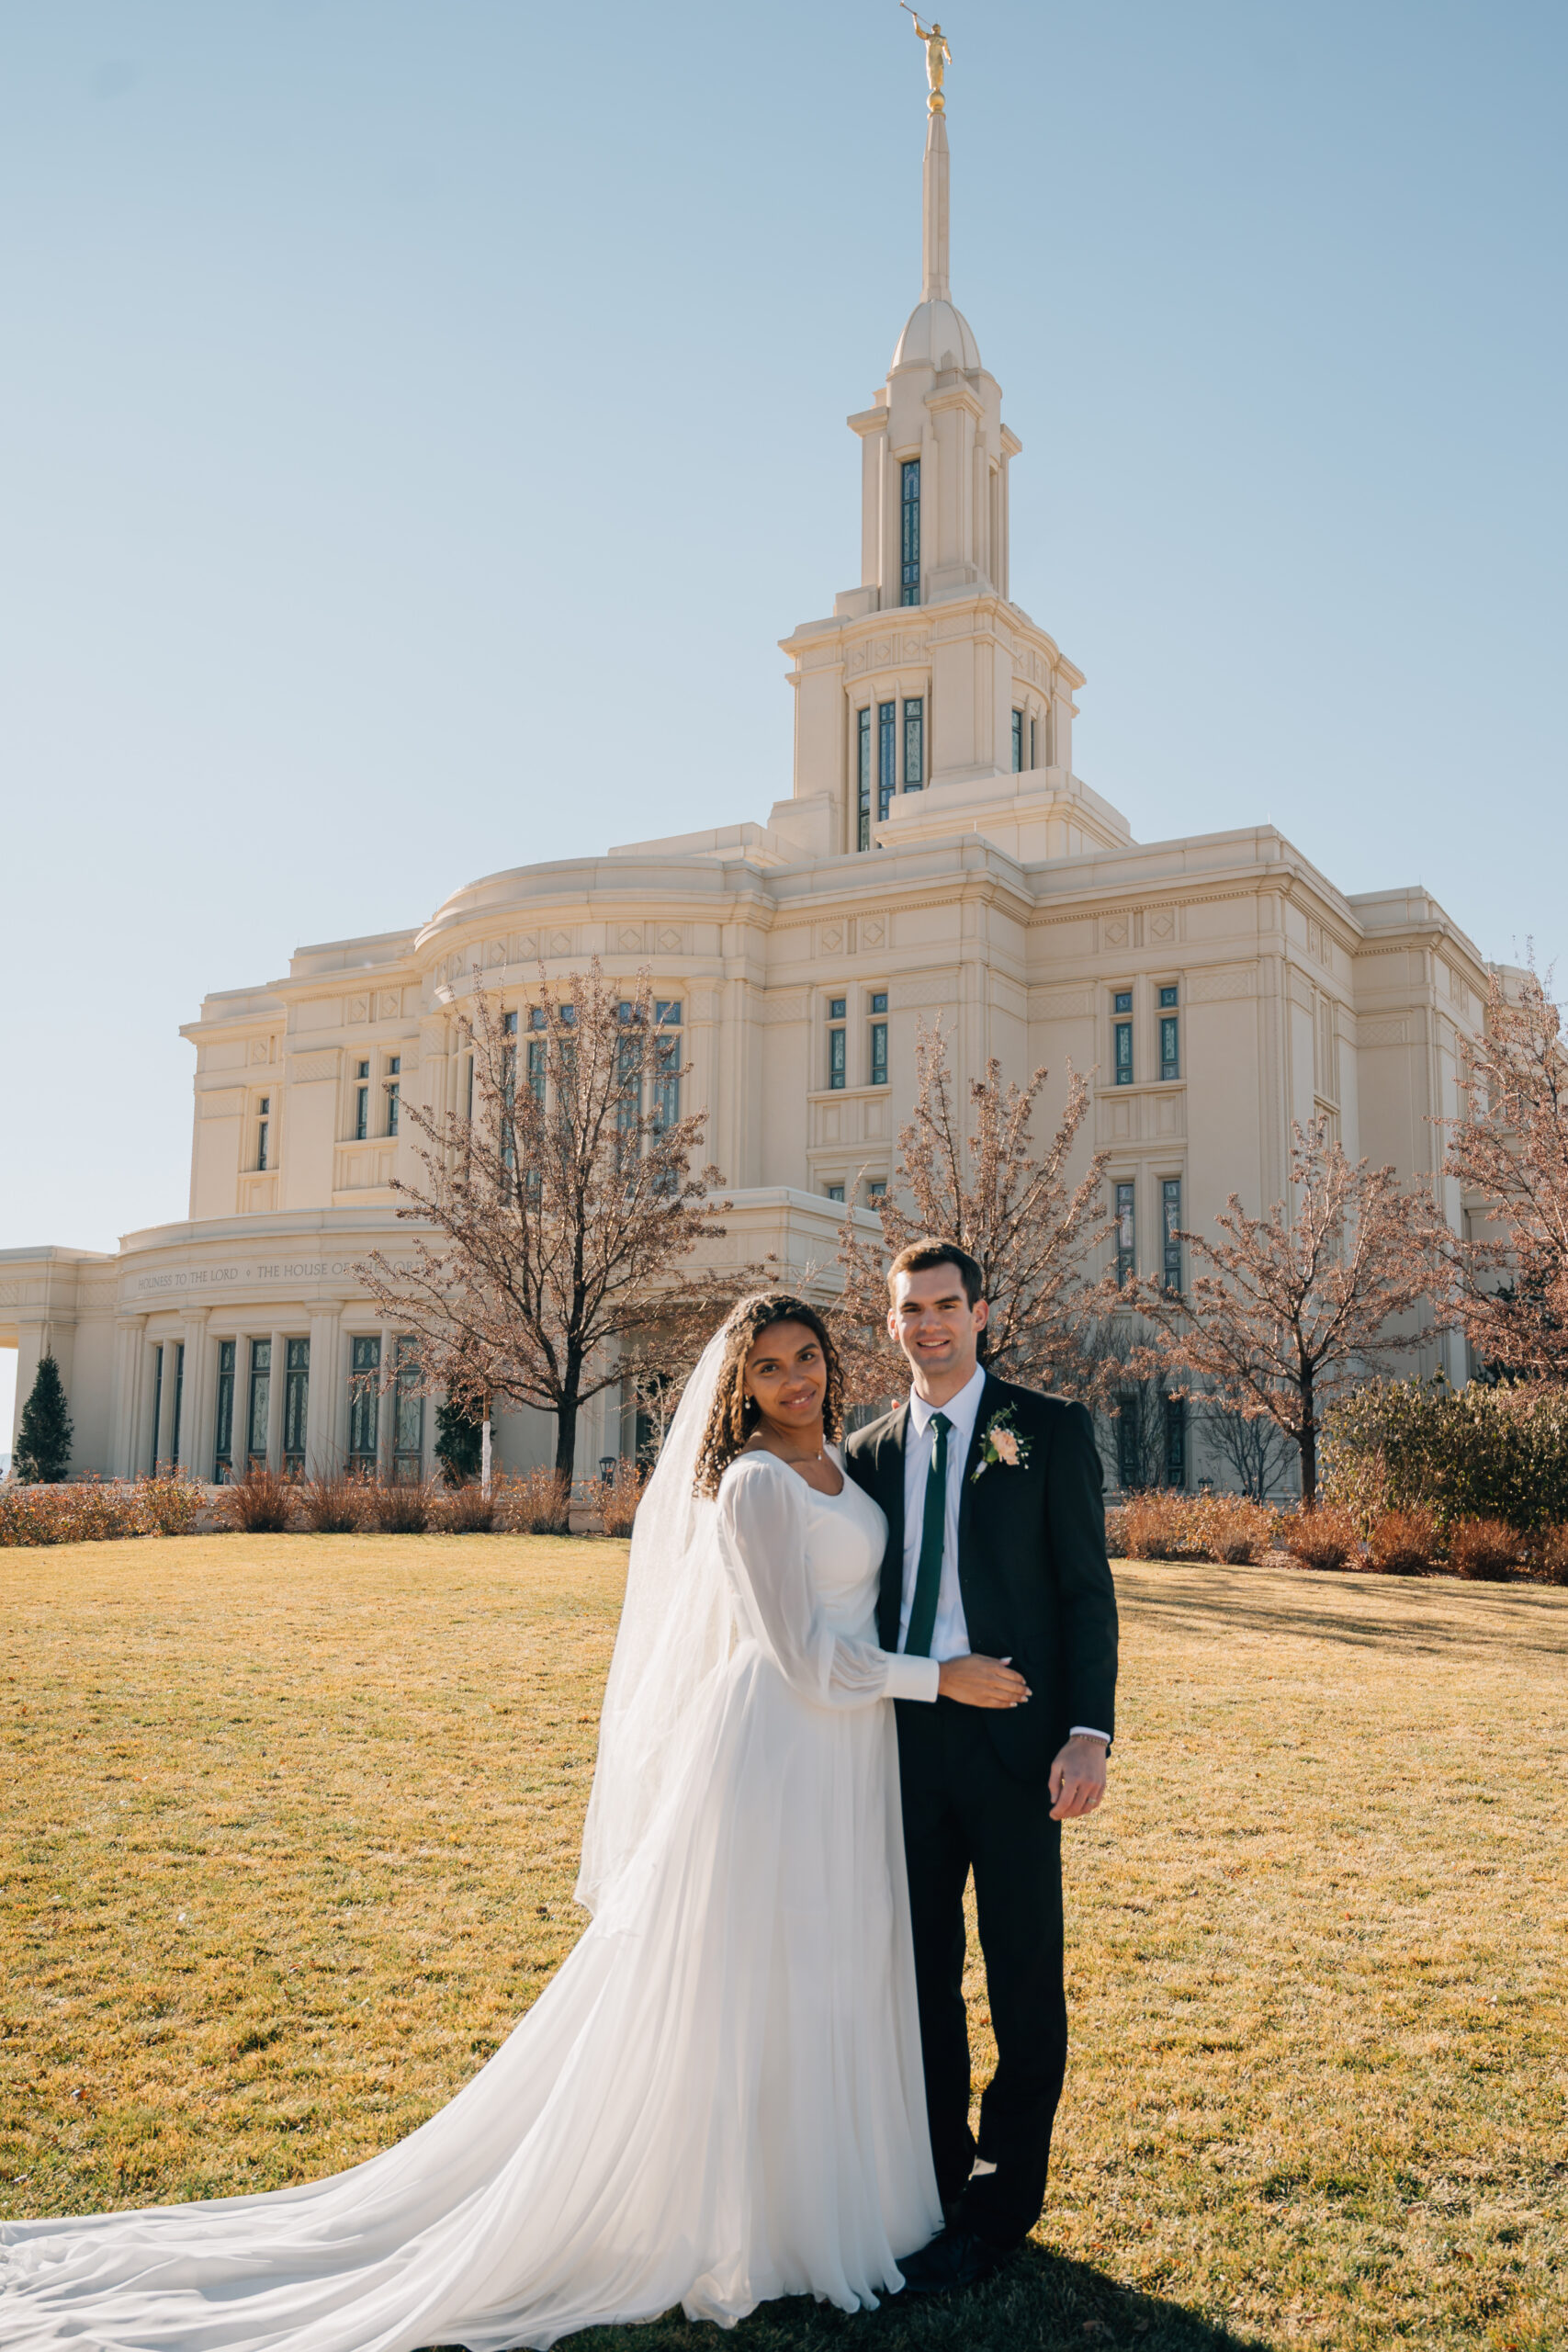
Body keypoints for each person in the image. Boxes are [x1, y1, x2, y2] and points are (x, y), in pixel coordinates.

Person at [0, 1293, 1029, 2352]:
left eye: (807, 1356)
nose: (797, 1379)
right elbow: (800, 1656)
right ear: (741, 1388)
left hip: (850, 1749)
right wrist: (935, 1677)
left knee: (831, 1965)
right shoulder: (757, 1485)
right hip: (780, 1742)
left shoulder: (842, 1471)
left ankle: (835, 2187)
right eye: (769, 1367)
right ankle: (758, 2218)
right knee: (760, 1974)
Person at [843, 1238, 1120, 2292]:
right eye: (912, 1310)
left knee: (1022, 1982)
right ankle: (935, 2181)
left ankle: (1001, 2204)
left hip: (1018, 1750)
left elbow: (1087, 1594)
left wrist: (1087, 1732)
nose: (931, 1325)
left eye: (948, 1306)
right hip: (904, 1748)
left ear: (983, 1313)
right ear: (891, 1324)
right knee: (918, 1980)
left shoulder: (1045, 1431)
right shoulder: (867, 1451)